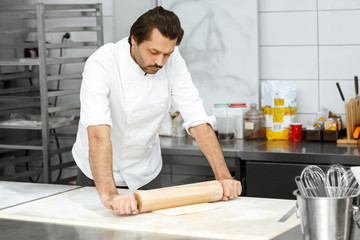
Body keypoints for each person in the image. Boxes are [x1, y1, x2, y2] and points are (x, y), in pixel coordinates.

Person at [72, 6, 241, 215]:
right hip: (97, 176)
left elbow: (197, 120)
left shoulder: (173, 60)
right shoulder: (102, 63)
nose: (160, 62)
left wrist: (223, 177)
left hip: (145, 173)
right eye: (153, 52)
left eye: (167, 54)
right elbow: (98, 134)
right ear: (134, 39)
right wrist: (109, 195)